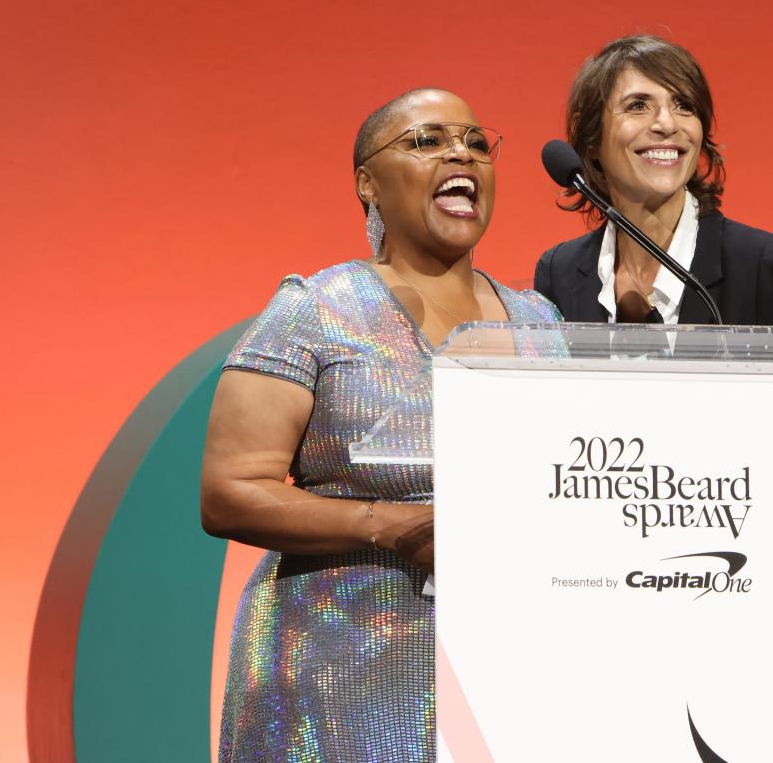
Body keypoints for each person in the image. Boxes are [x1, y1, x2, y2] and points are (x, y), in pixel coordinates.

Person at [202, 88, 561, 762]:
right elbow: (230, 490)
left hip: (500, 672)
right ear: (367, 182)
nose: (461, 152)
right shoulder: (317, 310)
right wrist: (392, 525)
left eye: (476, 143)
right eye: (426, 141)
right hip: (333, 674)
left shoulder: (543, 324)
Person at [533, 34, 773, 658]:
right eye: (638, 106)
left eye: (684, 106)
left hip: (754, 589)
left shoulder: (767, 265)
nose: (667, 124)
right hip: (606, 596)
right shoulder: (559, 274)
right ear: (590, 142)